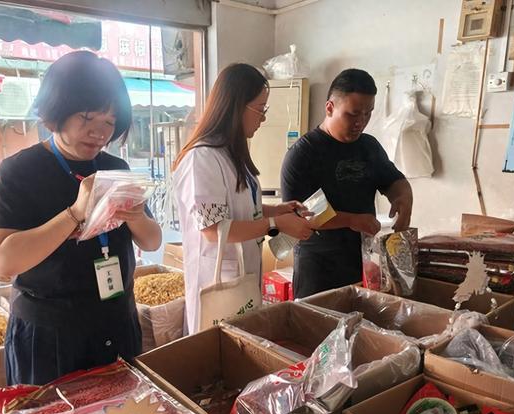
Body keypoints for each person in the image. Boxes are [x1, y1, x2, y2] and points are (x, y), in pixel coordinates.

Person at [0, 51, 162, 385]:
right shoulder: (19, 172)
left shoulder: (115, 168)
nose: (99, 133)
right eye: (87, 118)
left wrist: (137, 215)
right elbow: (4, 261)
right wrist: (75, 213)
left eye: (109, 122)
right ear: (56, 112)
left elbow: (152, 241)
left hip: (116, 320)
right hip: (50, 334)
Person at [172, 63, 314, 335]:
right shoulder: (203, 158)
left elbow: (241, 209)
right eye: (260, 109)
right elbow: (213, 230)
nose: (262, 118)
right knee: (216, 360)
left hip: (242, 282)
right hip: (217, 285)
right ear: (237, 106)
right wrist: (277, 223)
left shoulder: (232, 155)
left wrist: (278, 209)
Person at [281, 68, 413, 299]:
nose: (360, 122)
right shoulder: (304, 154)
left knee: (360, 327)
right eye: (353, 114)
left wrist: (404, 199)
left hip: (361, 260)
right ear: (330, 108)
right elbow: (303, 214)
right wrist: (352, 220)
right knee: (317, 330)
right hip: (318, 265)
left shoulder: (369, 147)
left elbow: (394, 181)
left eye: (368, 114)